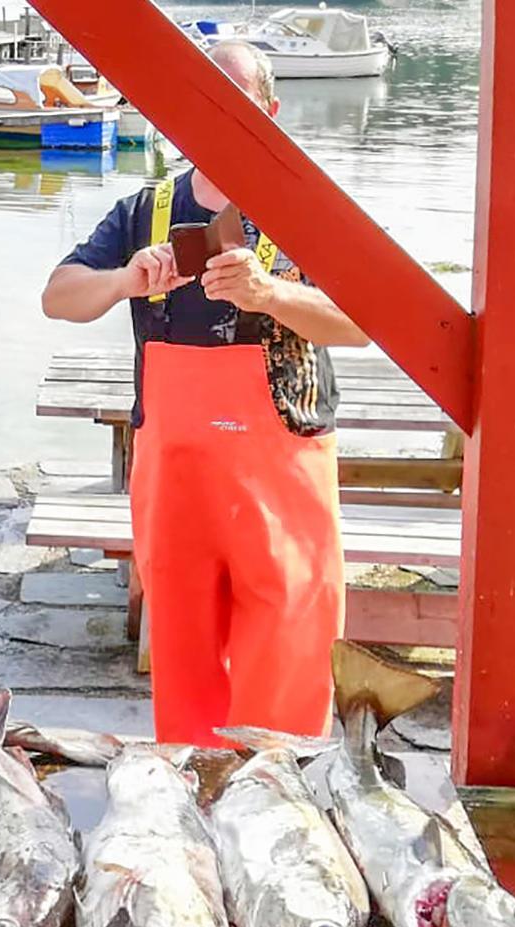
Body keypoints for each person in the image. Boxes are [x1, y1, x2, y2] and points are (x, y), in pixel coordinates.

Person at [40, 40, 368, 746]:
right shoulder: (144, 212)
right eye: (202, 101)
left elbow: (364, 323)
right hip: (176, 481)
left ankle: (279, 794)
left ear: (269, 112)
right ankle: (190, 791)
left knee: (287, 658)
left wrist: (270, 294)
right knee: (184, 665)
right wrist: (125, 280)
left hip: (284, 483)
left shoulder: (311, 208)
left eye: (234, 100)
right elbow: (58, 297)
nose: (216, 116)